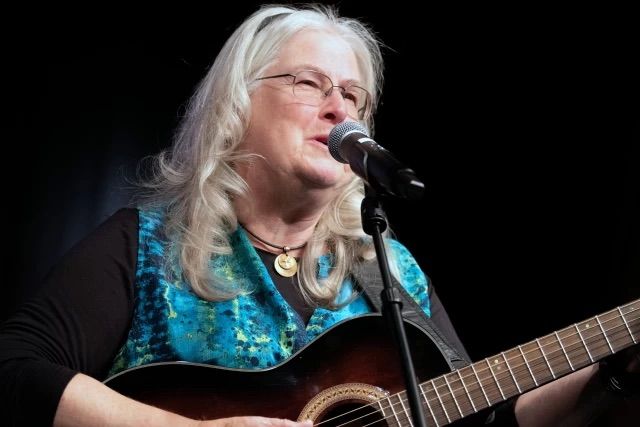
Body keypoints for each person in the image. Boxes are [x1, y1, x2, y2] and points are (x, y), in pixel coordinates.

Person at [0, 4, 637, 426]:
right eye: (310, 83)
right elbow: (15, 369)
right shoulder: (148, 246)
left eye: (354, 95)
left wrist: (615, 368)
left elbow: (478, 417)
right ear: (237, 103)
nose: (340, 110)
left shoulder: (386, 269)